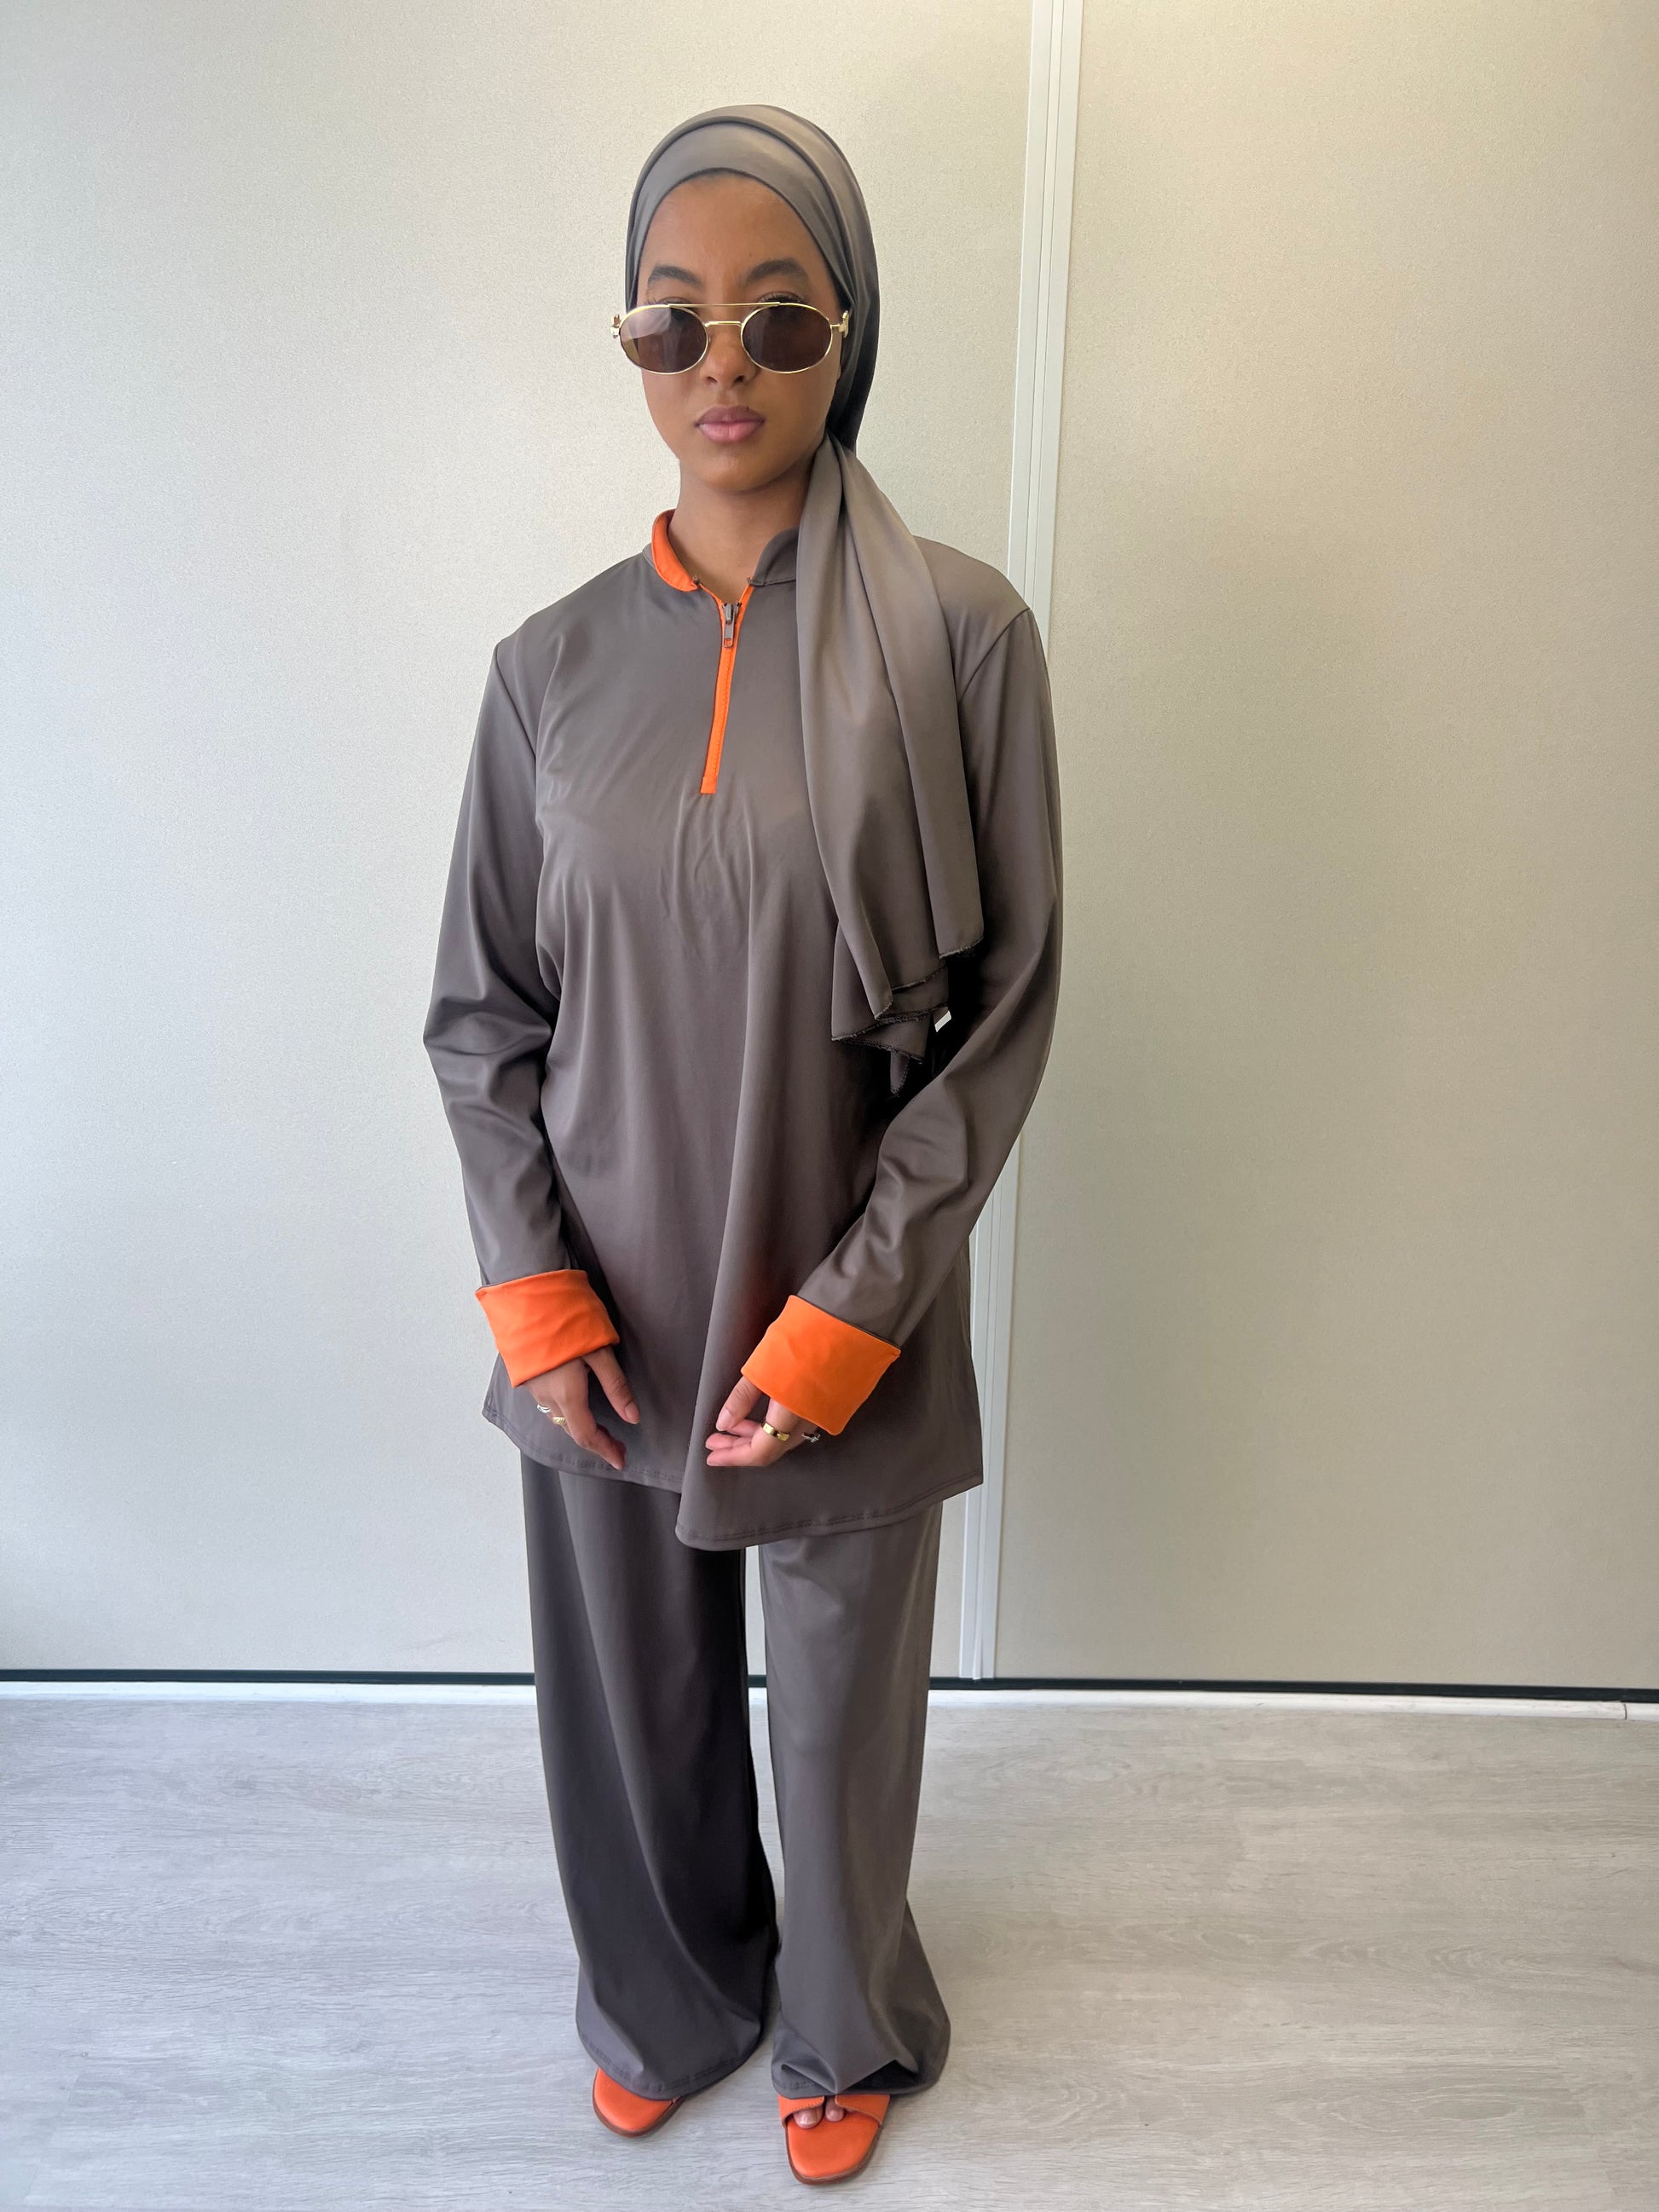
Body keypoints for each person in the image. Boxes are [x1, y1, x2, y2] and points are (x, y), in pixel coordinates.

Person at [421, 101, 1063, 2186]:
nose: (723, 364)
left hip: (841, 1270)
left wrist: (854, 1308)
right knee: (636, 1692)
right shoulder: (545, 669)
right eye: (671, 320)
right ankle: (667, 1985)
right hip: (601, 1282)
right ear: (626, 337)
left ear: (844, 338)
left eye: (778, 321)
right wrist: (533, 1284)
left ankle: (836, 2017)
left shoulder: (958, 636)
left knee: (844, 1694)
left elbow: (1004, 1009)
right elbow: (483, 1013)